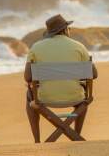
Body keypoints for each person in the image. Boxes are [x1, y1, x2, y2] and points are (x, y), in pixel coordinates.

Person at [24, 14, 98, 143]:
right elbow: (94, 74)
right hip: (76, 97)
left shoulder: (36, 47)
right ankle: (76, 135)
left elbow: (28, 77)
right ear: (64, 30)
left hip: (43, 99)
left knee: (29, 95)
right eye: (69, 28)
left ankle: (37, 141)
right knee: (83, 97)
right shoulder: (79, 46)